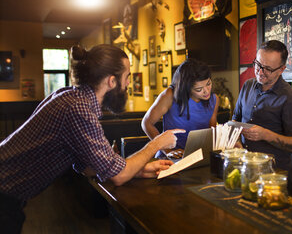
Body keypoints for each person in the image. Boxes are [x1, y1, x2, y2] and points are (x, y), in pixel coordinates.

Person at [0, 44, 183, 234]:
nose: (129, 83)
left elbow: (90, 166)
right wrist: (157, 143)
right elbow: (118, 176)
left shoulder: (69, 96)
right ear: (112, 81)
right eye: (127, 76)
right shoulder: (79, 110)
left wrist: (138, 170)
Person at [233, 40, 292, 178]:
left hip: (273, 174)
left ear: (281, 69)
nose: (260, 72)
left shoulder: (289, 98)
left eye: (268, 69)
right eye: (258, 65)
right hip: (245, 167)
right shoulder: (248, 85)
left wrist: (265, 134)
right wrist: (235, 141)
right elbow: (235, 119)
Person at [142, 58, 219, 159]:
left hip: (198, 156)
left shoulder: (214, 99)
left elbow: (211, 130)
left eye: (208, 84)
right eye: (199, 89)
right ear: (186, 87)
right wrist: (168, 150)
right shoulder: (169, 95)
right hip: (171, 157)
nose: (206, 91)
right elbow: (147, 123)